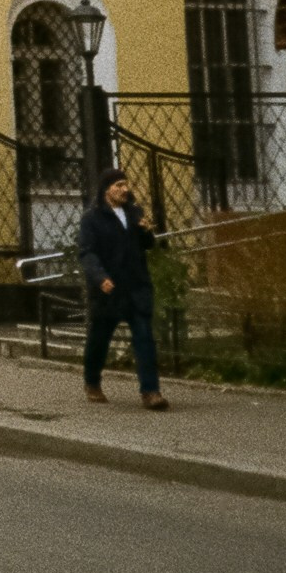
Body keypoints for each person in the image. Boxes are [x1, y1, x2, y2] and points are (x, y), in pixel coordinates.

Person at [77, 167, 170, 411]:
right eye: (118, 185)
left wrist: (146, 230)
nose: (124, 189)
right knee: (100, 339)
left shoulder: (134, 212)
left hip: (135, 286)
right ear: (106, 190)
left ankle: (151, 392)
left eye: (125, 184)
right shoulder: (92, 218)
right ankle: (92, 381)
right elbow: (86, 252)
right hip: (108, 289)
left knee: (144, 338)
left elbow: (148, 246)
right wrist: (100, 277)